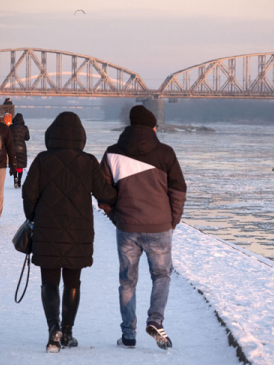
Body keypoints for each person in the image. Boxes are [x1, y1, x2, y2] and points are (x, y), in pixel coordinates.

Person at [22, 112, 117, 353]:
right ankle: (67, 332)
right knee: (73, 281)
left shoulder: (42, 160)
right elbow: (104, 195)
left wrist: (33, 217)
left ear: (51, 135)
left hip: (47, 230)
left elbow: (28, 193)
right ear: (81, 136)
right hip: (79, 232)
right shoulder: (88, 161)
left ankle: (53, 329)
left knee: (49, 282)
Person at [99, 105, 187, 350]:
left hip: (127, 227)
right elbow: (179, 189)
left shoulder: (112, 153)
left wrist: (114, 216)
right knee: (161, 276)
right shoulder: (165, 153)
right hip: (159, 227)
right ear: (153, 128)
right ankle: (155, 320)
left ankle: (128, 335)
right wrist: (172, 221)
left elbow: (101, 190)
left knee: (127, 281)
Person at [9, 113, 30, 188]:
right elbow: (27, 138)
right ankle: (19, 181)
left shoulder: (11, 127)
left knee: (14, 164)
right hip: (22, 148)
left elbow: (8, 137)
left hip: (12, 148)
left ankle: (15, 179)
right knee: (20, 165)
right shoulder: (25, 127)